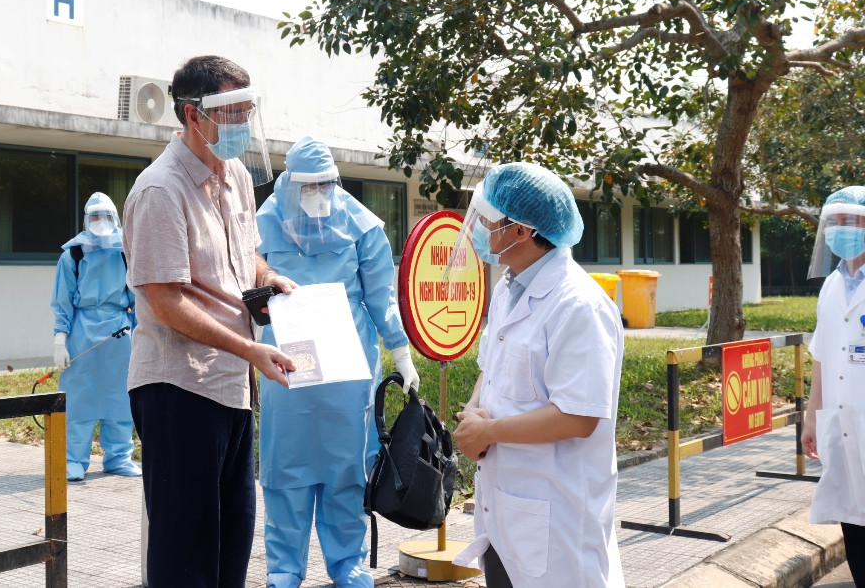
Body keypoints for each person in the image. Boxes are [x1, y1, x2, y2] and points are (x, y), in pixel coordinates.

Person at [122, 55, 297, 588]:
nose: (242, 124)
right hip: (179, 387)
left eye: (247, 111)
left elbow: (246, 254)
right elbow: (167, 302)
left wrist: (271, 278)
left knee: (231, 540)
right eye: (231, 112)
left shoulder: (237, 175)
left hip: (232, 384)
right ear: (193, 114)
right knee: (185, 552)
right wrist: (249, 349)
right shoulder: (160, 190)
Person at [447, 162, 624, 587]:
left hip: (556, 518)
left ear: (520, 231)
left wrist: (489, 432)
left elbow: (578, 416)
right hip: (505, 509)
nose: (479, 230)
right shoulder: (508, 287)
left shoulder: (578, 305)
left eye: (488, 221)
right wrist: (474, 413)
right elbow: (492, 366)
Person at [255, 136, 420, 588]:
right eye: (308, 185)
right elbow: (245, 287)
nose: (317, 193)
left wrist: (401, 352)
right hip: (287, 362)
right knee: (285, 466)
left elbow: (381, 295)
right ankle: (284, 568)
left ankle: (349, 563)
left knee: (347, 467)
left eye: (325, 184)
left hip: (347, 365)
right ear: (289, 182)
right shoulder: (262, 224)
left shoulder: (361, 225)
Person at [50, 191, 141, 482]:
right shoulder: (73, 255)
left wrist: (141, 333)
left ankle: (119, 457)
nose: (101, 221)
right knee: (79, 398)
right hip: (82, 332)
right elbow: (62, 300)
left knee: (120, 397)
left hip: (120, 333)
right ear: (86, 219)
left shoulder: (127, 252)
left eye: (106, 216)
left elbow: (138, 298)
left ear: (116, 218)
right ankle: (73, 460)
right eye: (95, 216)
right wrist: (60, 339)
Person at [802, 185, 865, 588]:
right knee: (853, 520)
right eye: (834, 221)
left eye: (851, 220)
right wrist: (811, 418)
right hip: (843, 429)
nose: (841, 229)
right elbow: (822, 355)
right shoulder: (831, 286)